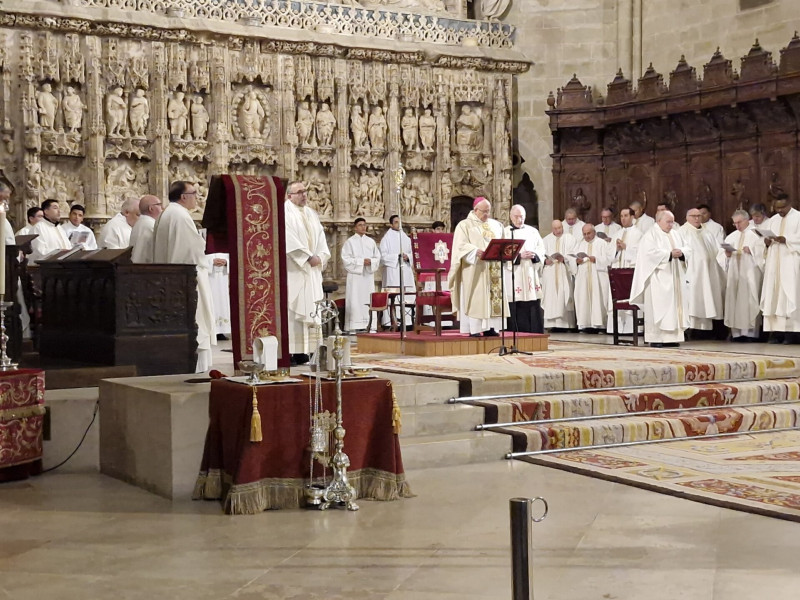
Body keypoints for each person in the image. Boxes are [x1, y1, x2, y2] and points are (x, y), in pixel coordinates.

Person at [152, 181, 215, 372]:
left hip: (170, 277)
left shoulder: (167, 213)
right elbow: (192, 251)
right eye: (194, 193)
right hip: (187, 279)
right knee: (197, 322)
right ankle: (199, 368)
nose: (197, 196)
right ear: (183, 197)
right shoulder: (180, 215)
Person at [629, 210, 692, 347]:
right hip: (658, 279)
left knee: (674, 308)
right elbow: (648, 255)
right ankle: (657, 338)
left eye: (672, 221)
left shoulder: (676, 234)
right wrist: (669, 254)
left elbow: (688, 248)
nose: (671, 225)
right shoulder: (650, 235)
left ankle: (673, 338)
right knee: (660, 308)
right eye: (668, 222)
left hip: (675, 278)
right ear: (658, 221)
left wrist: (682, 253)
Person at [284, 180, 330, 364]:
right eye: (300, 192)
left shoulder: (311, 213)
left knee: (312, 307)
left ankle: (308, 350)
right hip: (295, 269)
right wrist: (307, 257)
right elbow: (289, 239)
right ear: (289, 195)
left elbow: (321, 237)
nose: (304, 195)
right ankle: (292, 351)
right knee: (294, 309)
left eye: (305, 191)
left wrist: (321, 256)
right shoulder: (285, 212)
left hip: (312, 271)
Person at [448, 197, 507, 337]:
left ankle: (491, 327)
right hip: (475, 269)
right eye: (483, 212)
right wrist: (474, 251)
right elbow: (460, 246)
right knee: (477, 298)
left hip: (494, 269)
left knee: (494, 298)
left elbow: (503, 243)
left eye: (488, 211)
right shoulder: (464, 225)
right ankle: (474, 329)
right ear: (475, 210)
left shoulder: (496, 225)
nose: (486, 214)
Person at [716, 209, 765, 342]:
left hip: (750, 273)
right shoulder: (732, 236)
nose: (737, 226)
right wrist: (726, 255)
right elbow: (720, 255)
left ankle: (750, 334)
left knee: (750, 300)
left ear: (747, 220)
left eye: (739, 222)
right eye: (734, 223)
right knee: (735, 301)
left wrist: (753, 251)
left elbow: (764, 252)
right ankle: (737, 333)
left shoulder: (757, 233)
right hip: (735, 274)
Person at [760, 193, 800, 343]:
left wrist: (787, 240)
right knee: (774, 296)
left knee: (790, 296)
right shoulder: (772, 221)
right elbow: (764, 243)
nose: (779, 210)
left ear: (790, 203)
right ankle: (777, 333)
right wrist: (767, 242)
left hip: (791, 263)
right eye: (777, 207)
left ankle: (792, 334)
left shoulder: (798, 217)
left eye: (783, 207)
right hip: (774, 263)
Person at [680, 207, 725, 333]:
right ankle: (692, 330)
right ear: (687, 218)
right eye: (693, 216)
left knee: (708, 299)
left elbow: (717, 251)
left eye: (699, 216)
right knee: (694, 301)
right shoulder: (682, 232)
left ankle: (706, 330)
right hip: (693, 274)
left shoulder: (707, 232)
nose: (696, 218)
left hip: (708, 273)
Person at [504, 205, 545, 333]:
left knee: (532, 302)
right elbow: (502, 253)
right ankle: (516, 332)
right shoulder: (505, 232)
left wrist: (535, 255)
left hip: (530, 272)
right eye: (516, 216)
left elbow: (541, 249)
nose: (519, 219)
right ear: (511, 217)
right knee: (516, 301)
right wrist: (519, 256)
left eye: (521, 216)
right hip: (514, 273)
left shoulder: (533, 231)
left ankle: (535, 333)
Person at [606, 207, 643, 334]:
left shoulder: (639, 234)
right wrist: (616, 249)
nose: (623, 218)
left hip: (630, 272)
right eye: (621, 216)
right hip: (617, 270)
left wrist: (626, 247)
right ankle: (616, 329)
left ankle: (630, 329)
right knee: (617, 298)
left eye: (626, 215)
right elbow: (609, 255)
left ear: (633, 217)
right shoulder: (616, 234)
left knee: (629, 298)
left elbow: (641, 253)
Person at [341, 217, 381, 332]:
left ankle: (370, 325)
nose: (363, 227)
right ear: (355, 227)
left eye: (364, 225)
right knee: (355, 298)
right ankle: (354, 325)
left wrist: (371, 262)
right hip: (356, 276)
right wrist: (361, 262)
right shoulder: (350, 242)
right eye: (360, 225)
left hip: (367, 275)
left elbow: (377, 257)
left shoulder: (371, 241)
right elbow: (346, 259)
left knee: (368, 298)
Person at [379, 215, 415, 328]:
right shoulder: (386, 239)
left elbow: (413, 253)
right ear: (391, 224)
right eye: (395, 222)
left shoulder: (406, 238)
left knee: (407, 294)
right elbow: (382, 257)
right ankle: (391, 321)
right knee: (394, 296)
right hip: (393, 271)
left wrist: (408, 256)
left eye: (400, 222)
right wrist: (397, 256)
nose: (398, 224)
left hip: (406, 270)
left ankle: (408, 321)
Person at [573, 223, 610, 333]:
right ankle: (585, 324)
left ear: (594, 232)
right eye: (584, 234)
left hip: (597, 276)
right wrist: (577, 261)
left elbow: (608, 260)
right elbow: (573, 258)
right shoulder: (580, 244)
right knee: (583, 298)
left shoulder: (602, 243)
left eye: (589, 233)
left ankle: (599, 325)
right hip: (583, 277)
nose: (587, 236)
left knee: (598, 299)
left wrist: (596, 259)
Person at [541, 220, 577, 331]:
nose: (558, 230)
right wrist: (545, 261)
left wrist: (564, 258)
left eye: (560, 227)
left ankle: (566, 324)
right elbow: (541, 255)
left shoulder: (570, 238)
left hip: (563, 270)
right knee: (551, 296)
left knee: (563, 294)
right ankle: (551, 324)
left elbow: (573, 254)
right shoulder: (546, 240)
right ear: (552, 229)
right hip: (550, 272)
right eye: (555, 228)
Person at [129, 195, 163, 264]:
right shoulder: (151, 225)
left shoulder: (140, 223)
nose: (162, 208)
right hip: (146, 268)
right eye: (159, 205)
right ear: (151, 208)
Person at [207, 252, 231, 340]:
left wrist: (227, 262)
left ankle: (220, 331)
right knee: (211, 300)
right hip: (209, 276)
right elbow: (199, 257)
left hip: (223, 276)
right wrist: (210, 261)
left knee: (222, 301)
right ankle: (211, 331)